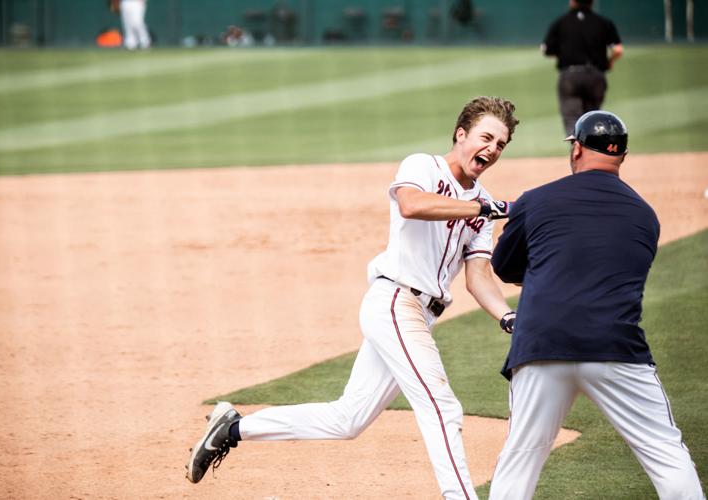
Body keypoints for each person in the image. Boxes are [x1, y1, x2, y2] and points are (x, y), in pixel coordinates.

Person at [185, 96, 521, 499]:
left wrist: (506, 316)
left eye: (501, 144)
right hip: (396, 303)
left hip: (418, 315)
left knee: (348, 419)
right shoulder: (423, 166)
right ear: (460, 133)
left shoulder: (480, 207)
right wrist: (485, 206)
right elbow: (411, 204)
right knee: (442, 407)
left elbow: (478, 276)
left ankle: (233, 427)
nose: (492, 149)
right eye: (486, 137)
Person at [488, 111, 705, 500]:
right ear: (622, 155)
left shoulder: (534, 200)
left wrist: (544, 270)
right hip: (616, 347)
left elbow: (504, 268)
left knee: (519, 460)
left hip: (541, 345)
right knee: (666, 453)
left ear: (576, 150)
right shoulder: (645, 215)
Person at [542, 0, 623, 135]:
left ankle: (577, 151)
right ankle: (593, 152)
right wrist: (610, 61)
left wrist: (564, 54)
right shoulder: (603, 22)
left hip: (570, 75)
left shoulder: (561, 22)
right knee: (592, 119)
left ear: (572, 2)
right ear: (592, 2)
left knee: (571, 118)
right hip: (596, 76)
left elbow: (546, 50)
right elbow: (618, 50)